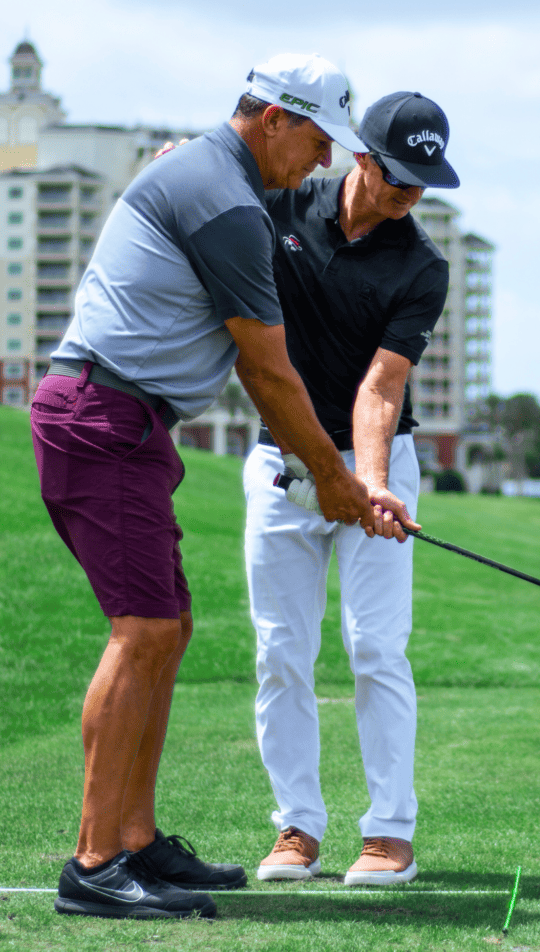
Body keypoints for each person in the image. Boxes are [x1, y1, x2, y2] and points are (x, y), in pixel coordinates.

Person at [30, 53, 403, 919]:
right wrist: (337, 480)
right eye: (318, 140)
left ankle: (135, 841)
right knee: (145, 629)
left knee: (168, 627)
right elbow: (268, 374)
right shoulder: (227, 202)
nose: (324, 162)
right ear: (272, 118)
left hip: (123, 418)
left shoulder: (214, 172)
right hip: (101, 415)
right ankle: (93, 865)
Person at [243, 91, 459, 886]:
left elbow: (382, 386)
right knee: (280, 650)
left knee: (375, 648)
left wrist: (367, 485)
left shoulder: (421, 267)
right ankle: (297, 827)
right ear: (360, 157)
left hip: (377, 467)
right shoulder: (278, 205)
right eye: (399, 176)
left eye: (423, 181)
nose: (411, 195)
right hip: (280, 463)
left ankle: (389, 833)